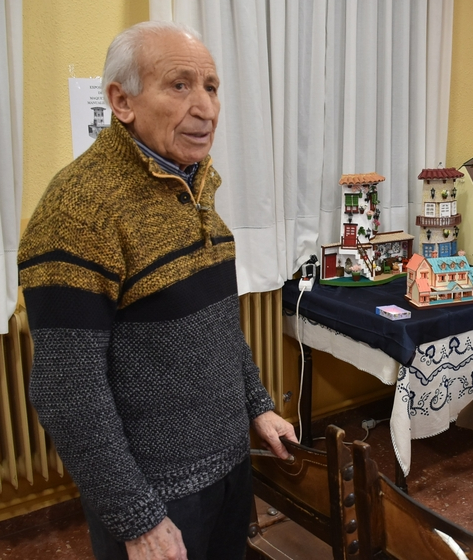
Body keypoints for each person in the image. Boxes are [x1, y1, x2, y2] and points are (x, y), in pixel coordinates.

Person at [18, 21, 297, 560]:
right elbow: (66, 391)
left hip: (229, 464)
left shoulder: (195, 184)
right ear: (122, 101)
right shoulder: (78, 212)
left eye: (211, 87)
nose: (206, 108)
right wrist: (137, 518)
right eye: (179, 85)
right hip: (158, 493)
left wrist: (256, 406)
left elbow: (217, 327)